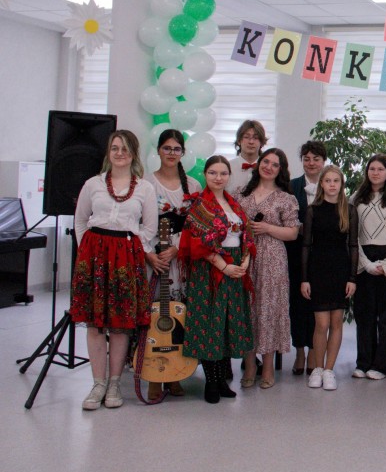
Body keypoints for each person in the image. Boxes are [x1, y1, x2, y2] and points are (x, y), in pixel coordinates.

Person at [71, 130, 158, 410]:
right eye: (115, 148)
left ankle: (114, 384)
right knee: (95, 323)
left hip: (126, 259)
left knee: (121, 324)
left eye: (125, 148)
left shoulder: (144, 188)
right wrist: (87, 251)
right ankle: (97, 383)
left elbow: (150, 228)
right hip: (94, 257)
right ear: (109, 152)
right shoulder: (93, 184)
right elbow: (80, 221)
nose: (120, 153)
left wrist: (131, 250)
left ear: (133, 153)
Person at [179, 156, 255, 404]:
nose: (218, 178)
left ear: (229, 176)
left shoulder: (234, 204)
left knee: (226, 323)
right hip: (210, 272)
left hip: (234, 270)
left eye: (223, 173)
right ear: (205, 174)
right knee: (210, 322)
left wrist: (244, 262)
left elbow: (246, 235)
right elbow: (197, 244)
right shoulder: (199, 206)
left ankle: (222, 380)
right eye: (213, 173)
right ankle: (211, 382)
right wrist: (224, 266)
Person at [143, 128, 201, 400]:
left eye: (177, 149)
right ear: (158, 150)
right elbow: (137, 223)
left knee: (179, 316)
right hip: (154, 258)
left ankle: (175, 372)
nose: (171, 153)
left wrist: (178, 249)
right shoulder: (145, 183)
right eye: (167, 148)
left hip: (180, 257)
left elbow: (196, 226)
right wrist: (149, 255)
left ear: (183, 153)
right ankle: (153, 374)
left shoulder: (194, 185)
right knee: (154, 315)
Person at [236, 148, 300, 389]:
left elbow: (293, 233)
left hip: (273, 258)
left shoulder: (285, 198)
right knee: (247, 308)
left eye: (275, 164)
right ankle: (250, 364)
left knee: (269, 309)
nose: (269, 167)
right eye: (266, 162)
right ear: (258, 164)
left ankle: (269, 366)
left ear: (280, 170)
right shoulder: (241, 193)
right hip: (245, 257)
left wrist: (268, 229)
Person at [351, 154, 386, 380]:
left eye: (380, 169)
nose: (375, 173)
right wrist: (365, 263)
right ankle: (363, 362)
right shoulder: (356, 197)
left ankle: (382, 365)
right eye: (372, 169)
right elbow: (353, 235)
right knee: (364, 315)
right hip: (363, 258)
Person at [301, 165, 358, 391]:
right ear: (321, 184)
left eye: (336, 181)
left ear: (342, 184)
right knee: (321, 324)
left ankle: (329, 370)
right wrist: (304, 278)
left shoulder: (349, 210)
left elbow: (353, 245)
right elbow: (306, 245)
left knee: (336, 323)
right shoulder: (312, 210)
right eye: (328, 181)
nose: (332, 185)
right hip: (318, 270)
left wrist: (352, 278)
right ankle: (317, 368)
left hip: (340, 271)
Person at [287, 141, 326, 376]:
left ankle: (313, 350)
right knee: (297, 303)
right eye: (307, 159)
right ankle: (299, 350)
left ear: (324, 162)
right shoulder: (292, 186)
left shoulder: (330, 185)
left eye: (316, 159)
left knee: (317, 303)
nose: (311, 163)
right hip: (295, 252)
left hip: (322, 255)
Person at [229, 119, 267, 193]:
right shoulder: (228, 167)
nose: (251, 142)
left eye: (255, 138)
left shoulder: (268, 169)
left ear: (262, 142)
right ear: (239, 140)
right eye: (246, 137)